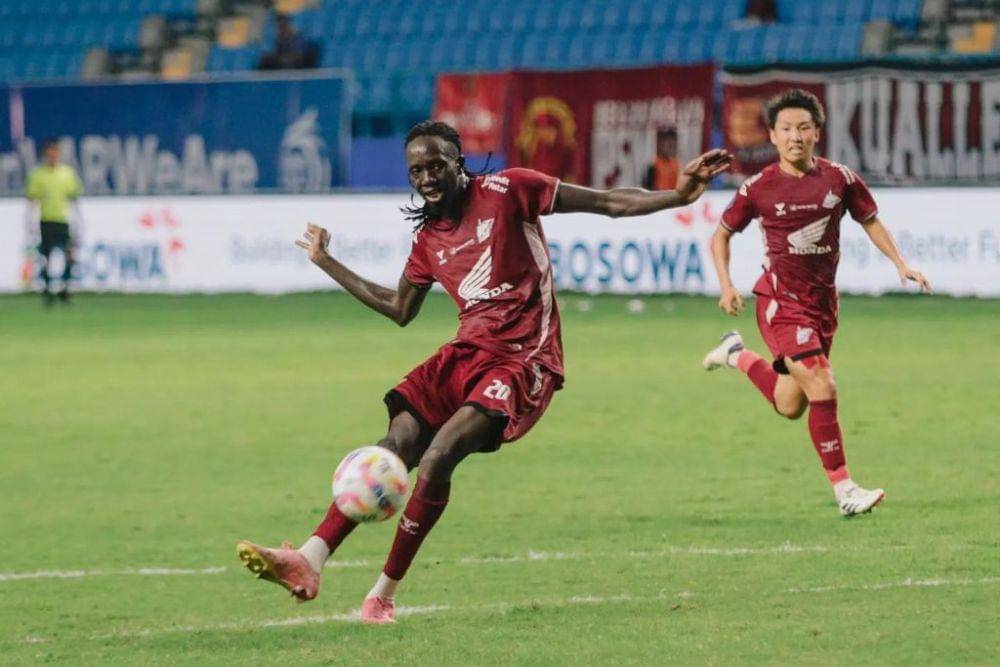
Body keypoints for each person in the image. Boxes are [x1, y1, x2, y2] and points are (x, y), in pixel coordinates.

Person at [237, 121, 732, 623]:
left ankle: (382, 594)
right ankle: (309, 558)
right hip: (467, 353)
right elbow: (399, 308)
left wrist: (678, 195)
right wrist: (325, 261)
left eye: (437, 165)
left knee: (438, 456)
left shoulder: (510, 190)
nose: (427, 178)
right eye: (417, 171)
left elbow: (607, 202)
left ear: (459, 163)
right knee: (392, 447)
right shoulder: (428, 239)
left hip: (523, 356)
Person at [701, 89, 931, 517]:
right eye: (786, 129)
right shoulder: (758, 187)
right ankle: (845, 490)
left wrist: (900, 263)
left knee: (790, 404)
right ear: (773, 135)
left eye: (803, 128)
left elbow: (870, 220)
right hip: (780, 303)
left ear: (817, 133)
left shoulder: (839, 179)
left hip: (822, 306)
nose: (795, 136)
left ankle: (735, 354)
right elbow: (721, 235)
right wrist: (726, 285)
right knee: (823, 383)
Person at [25, 138, 83, 306]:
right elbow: (32, 201)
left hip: (63, 221)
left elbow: (74, 200)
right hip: (45, 220)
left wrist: (78, 221)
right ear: (45, 154)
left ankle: (64, 288)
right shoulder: (38, 175)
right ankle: (48, 290)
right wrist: (30, 223)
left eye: (55, 152)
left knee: (69, 255)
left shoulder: (67, 174)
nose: (53, 156)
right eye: (49, 153)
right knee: (45, 258)